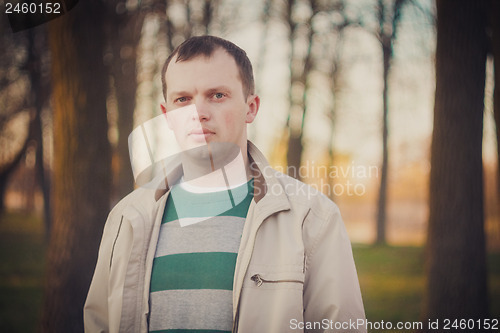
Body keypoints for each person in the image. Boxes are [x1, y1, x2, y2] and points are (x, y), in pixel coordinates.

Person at [84, 35, 366, 333]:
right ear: (167, 115)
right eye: (183, 99)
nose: (198, 113)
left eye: (217, 95)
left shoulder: (312, 218)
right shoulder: (126, 218)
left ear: (251, 108)